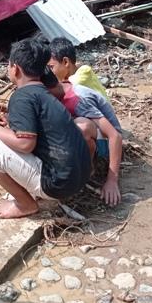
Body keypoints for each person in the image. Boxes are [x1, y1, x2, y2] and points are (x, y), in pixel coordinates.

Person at [0, 38, 91, 219]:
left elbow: (25, 144)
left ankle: (25, 204)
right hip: (77, 179)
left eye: (9, 65)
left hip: (57, 185)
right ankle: (29, 192)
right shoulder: (46, 94)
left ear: (15, 68)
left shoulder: (22, 97)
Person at [47, 38, 123, 206]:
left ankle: (88, 171)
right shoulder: (56, 90)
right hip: (95, 132)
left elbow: (115, 136)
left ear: (65, 62)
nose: (48, 72)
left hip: (107, 143)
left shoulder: (78, 96)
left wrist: (112, 180)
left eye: (51, 67)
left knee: (80, 126)